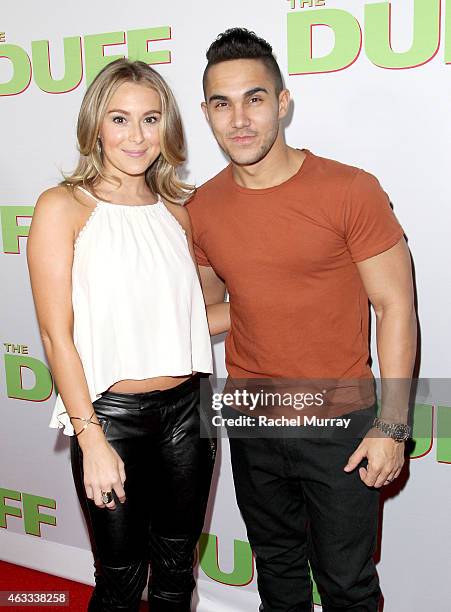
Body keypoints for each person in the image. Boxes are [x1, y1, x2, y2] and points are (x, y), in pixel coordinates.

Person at [187, 28, 417, 612]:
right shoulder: (203, 208)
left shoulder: (350, 190)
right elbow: (214, 309)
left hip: (340, 417)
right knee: (279, 577)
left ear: (282, 103)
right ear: (207, 114)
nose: (239, 119)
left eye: (254, 98)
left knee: (347, 584)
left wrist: (391, 425)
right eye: (222, 103)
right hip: (252, 415)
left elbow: (395, 308)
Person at [27, 58, 229, 611]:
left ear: (167, 126)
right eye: (119, 119)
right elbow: (55, 335)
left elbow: (194, 316)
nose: (136, 136)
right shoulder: (63, 207)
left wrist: (281, 299)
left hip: (190, 413)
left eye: (150, 118)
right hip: (109, 417)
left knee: (174, 574)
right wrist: (91, 438)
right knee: (119, 580)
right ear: (95, 125)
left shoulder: (179, 211)